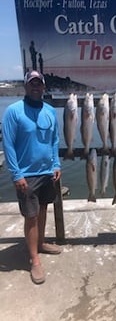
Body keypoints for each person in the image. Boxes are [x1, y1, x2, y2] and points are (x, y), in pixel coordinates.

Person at [2, 70, 61, 285]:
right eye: (32, 83)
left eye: (39, 84)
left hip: (47, 172)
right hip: (26, 175)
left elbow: (54, 140)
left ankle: (42, 242)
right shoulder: (13, 111)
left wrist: (56, 164)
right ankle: (34, 259)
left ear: (43, 87)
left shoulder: (51, 111)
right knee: (31, 216)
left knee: (44, 209)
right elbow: (7, 145)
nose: (36, 87)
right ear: (25, 86)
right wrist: (16, 174)